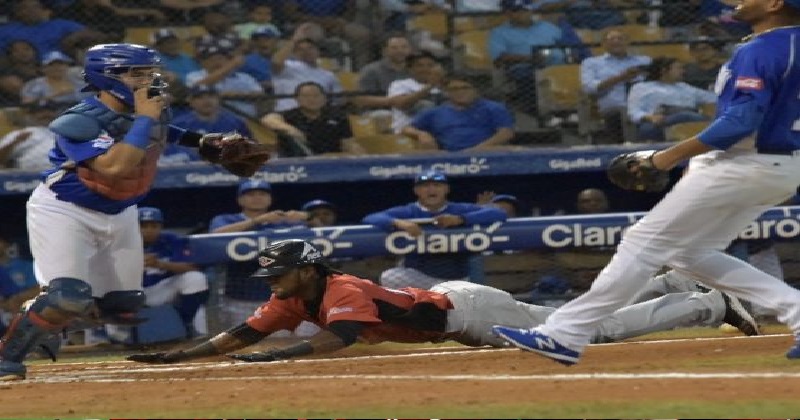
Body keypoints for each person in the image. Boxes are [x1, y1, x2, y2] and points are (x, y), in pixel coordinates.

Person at [493, 0, 800, 364]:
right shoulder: (787, 44)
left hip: (744, 162)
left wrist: (664, 157)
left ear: (775, 4)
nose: (738, 0)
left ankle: (564, 333)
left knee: (642, 243)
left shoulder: (763, 47)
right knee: (689, 252)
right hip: (784, 166)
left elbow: (740, 122)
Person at [0, 43, 250, 381]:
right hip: (65, 210)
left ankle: (50, 324)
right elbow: (115, 167)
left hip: (121, 210)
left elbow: (162, 131)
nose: (149, 80)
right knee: (66, 298)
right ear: (107, 76)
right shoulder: (76, 121)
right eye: (138, 74)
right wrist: (146, 117)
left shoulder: (151, 111)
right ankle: (7, 358)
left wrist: (201, 142)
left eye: (150, 72)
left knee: (123, 303)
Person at [124, 239, 759, 365]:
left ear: (307, 271)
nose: (272, 281)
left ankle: (706, 306)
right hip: (458, 309)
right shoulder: (298, 297)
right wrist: (177, 357)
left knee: (591, 334)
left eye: (279, 273)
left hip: (468, 315)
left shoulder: (340, 289)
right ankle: (670, 288)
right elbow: (240, 336)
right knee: (569, 317)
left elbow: (342, 339)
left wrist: (276, 360)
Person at [362, 170, 507, 289]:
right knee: (389, 277)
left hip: (457, 279)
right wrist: (398, 222)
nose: (431, 190)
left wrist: (460, 219)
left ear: (446, 189)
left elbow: (498, 213)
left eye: (437, 185)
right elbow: (371, 218)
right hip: (420, 276)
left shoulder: (458, 209)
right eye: (425, 186)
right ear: (416, 190)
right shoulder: (409, 211)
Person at [137, 207, 209, 338]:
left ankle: (185, 322)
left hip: (162, 291)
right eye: (143, 226)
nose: (149, 230)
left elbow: (192, 267)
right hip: (133, 295)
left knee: (196, 278)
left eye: (154, 226)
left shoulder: (171, 240)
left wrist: (159, 264)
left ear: (161, 226)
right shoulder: (123, 244)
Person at [401, 73, 515, 151]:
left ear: (476, 90)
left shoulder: (493, 108)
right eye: (454, 89)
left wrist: (477, 150)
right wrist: (421, 134)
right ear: (446, 92)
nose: (460, 92)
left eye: (465, 88)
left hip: (486, 152)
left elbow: (506, 133)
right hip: (449, 156)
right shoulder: (435, 112)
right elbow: (406, 128)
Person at [580, 29, 651, 142]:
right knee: (627, 111)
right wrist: (621, 78)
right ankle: (631, 146)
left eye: (620, 39)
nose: (616, 42)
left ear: (627, 42)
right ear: (603, 44)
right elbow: (589, 88)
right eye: (611, 39)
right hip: (614, 106)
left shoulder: (644, 61)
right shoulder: (591, 63)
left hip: (645, 103)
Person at [260, 81, 363, 157]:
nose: (311, 99)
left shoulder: (337, 116)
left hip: (330, 161)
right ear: (297, 99)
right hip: (296, 163)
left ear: (324, 98)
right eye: (306, 96)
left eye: (316, 96)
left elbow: (349, 144)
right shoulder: (291, 115)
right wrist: (290, 129)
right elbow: (268, 119)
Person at [627, 57, 718, 142]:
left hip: (690, 117)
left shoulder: (685, 87)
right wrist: (650, 117)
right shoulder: (641, 87)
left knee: (691, 117)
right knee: (647, 129)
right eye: (679, 68)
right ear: (664, 71)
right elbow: (634, 111)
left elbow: (712, 98)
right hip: (660, 119)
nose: (683, 71)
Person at [0, 100, 62, 170]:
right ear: (31, 115)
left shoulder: (65, 133)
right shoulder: (20, 134)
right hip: (32, 174)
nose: (46, 114)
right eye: (40, 112)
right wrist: (15, 142)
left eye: (50, 111)